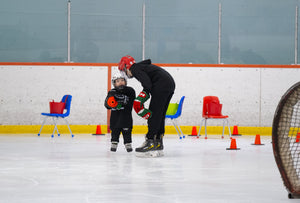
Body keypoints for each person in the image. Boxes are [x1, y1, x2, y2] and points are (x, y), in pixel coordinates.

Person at [118, 55, 175, 157]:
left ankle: (150, 141)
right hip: (169, 84)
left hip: (161, 85)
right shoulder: (142, 67)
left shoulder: (135, 69)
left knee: (154, 113)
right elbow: (149, 83)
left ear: (126, 67)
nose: (126, 73)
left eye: (124, 70)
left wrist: (141, 97)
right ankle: (158, 141)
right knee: (160, 114)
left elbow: (147, 84)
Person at [104, 73, 136, 152]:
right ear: (114, 83)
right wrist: (110, 102)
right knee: (115, 132)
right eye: (118, 81)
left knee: (127, 132)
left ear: (125, 82)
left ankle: (128, 144)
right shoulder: (112, 92)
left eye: (122, 80)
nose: (120, 82)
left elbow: (131, 99)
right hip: (115, 119)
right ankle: (114, 144)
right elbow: (107, 105)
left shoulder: (130, 91)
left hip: (126, 118)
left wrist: (121, 97)